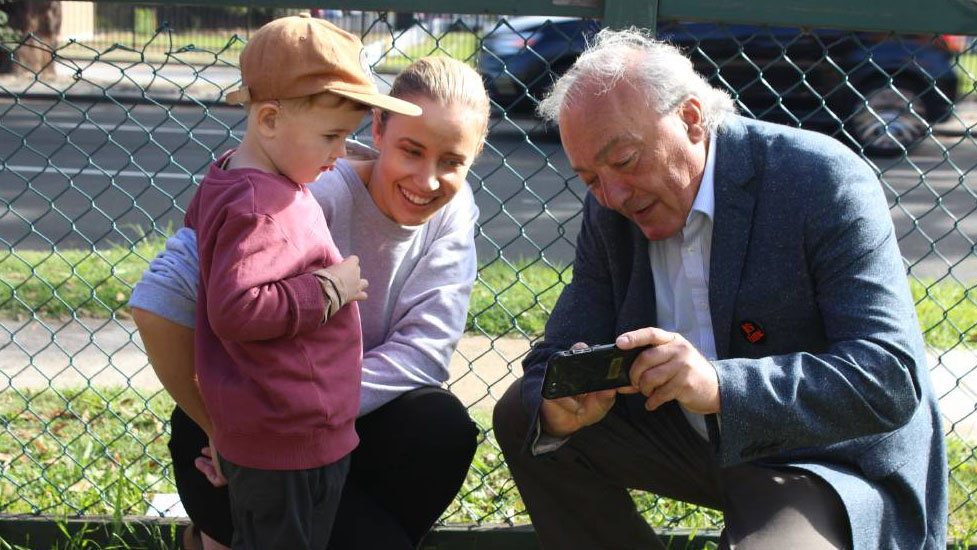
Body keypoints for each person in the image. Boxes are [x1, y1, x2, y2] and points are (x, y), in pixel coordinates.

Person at [493, 28, 947, 550]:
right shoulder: (612, 210)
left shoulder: (822, 179)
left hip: (824, 461)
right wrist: (561, 404)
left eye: (624, 161)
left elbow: (888, 377)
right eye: (590, 178)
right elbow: (556, 352)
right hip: (692, 441)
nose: (613, 195)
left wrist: (720, 386)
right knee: (525, 412)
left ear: (690, 118)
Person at [129, 55, 489, 550]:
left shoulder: (455, 208)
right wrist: (220, 423)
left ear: (475, 156)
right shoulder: (302, 188)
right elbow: (157, 299)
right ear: (378, 128)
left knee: (440, 425)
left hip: (332, 432)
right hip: (250, 434)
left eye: (451, 162)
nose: (428, 180)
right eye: (412, 150)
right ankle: (217, 532)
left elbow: (424, 353)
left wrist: (319, 413)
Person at [177, 14, 422, 550]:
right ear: (268, 120)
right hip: (283, 434)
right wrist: (330, 288)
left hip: (287, 427)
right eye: (331, 136)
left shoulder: (238, 177)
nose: (341, 154)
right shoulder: (259, 206)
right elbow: (237, 308)